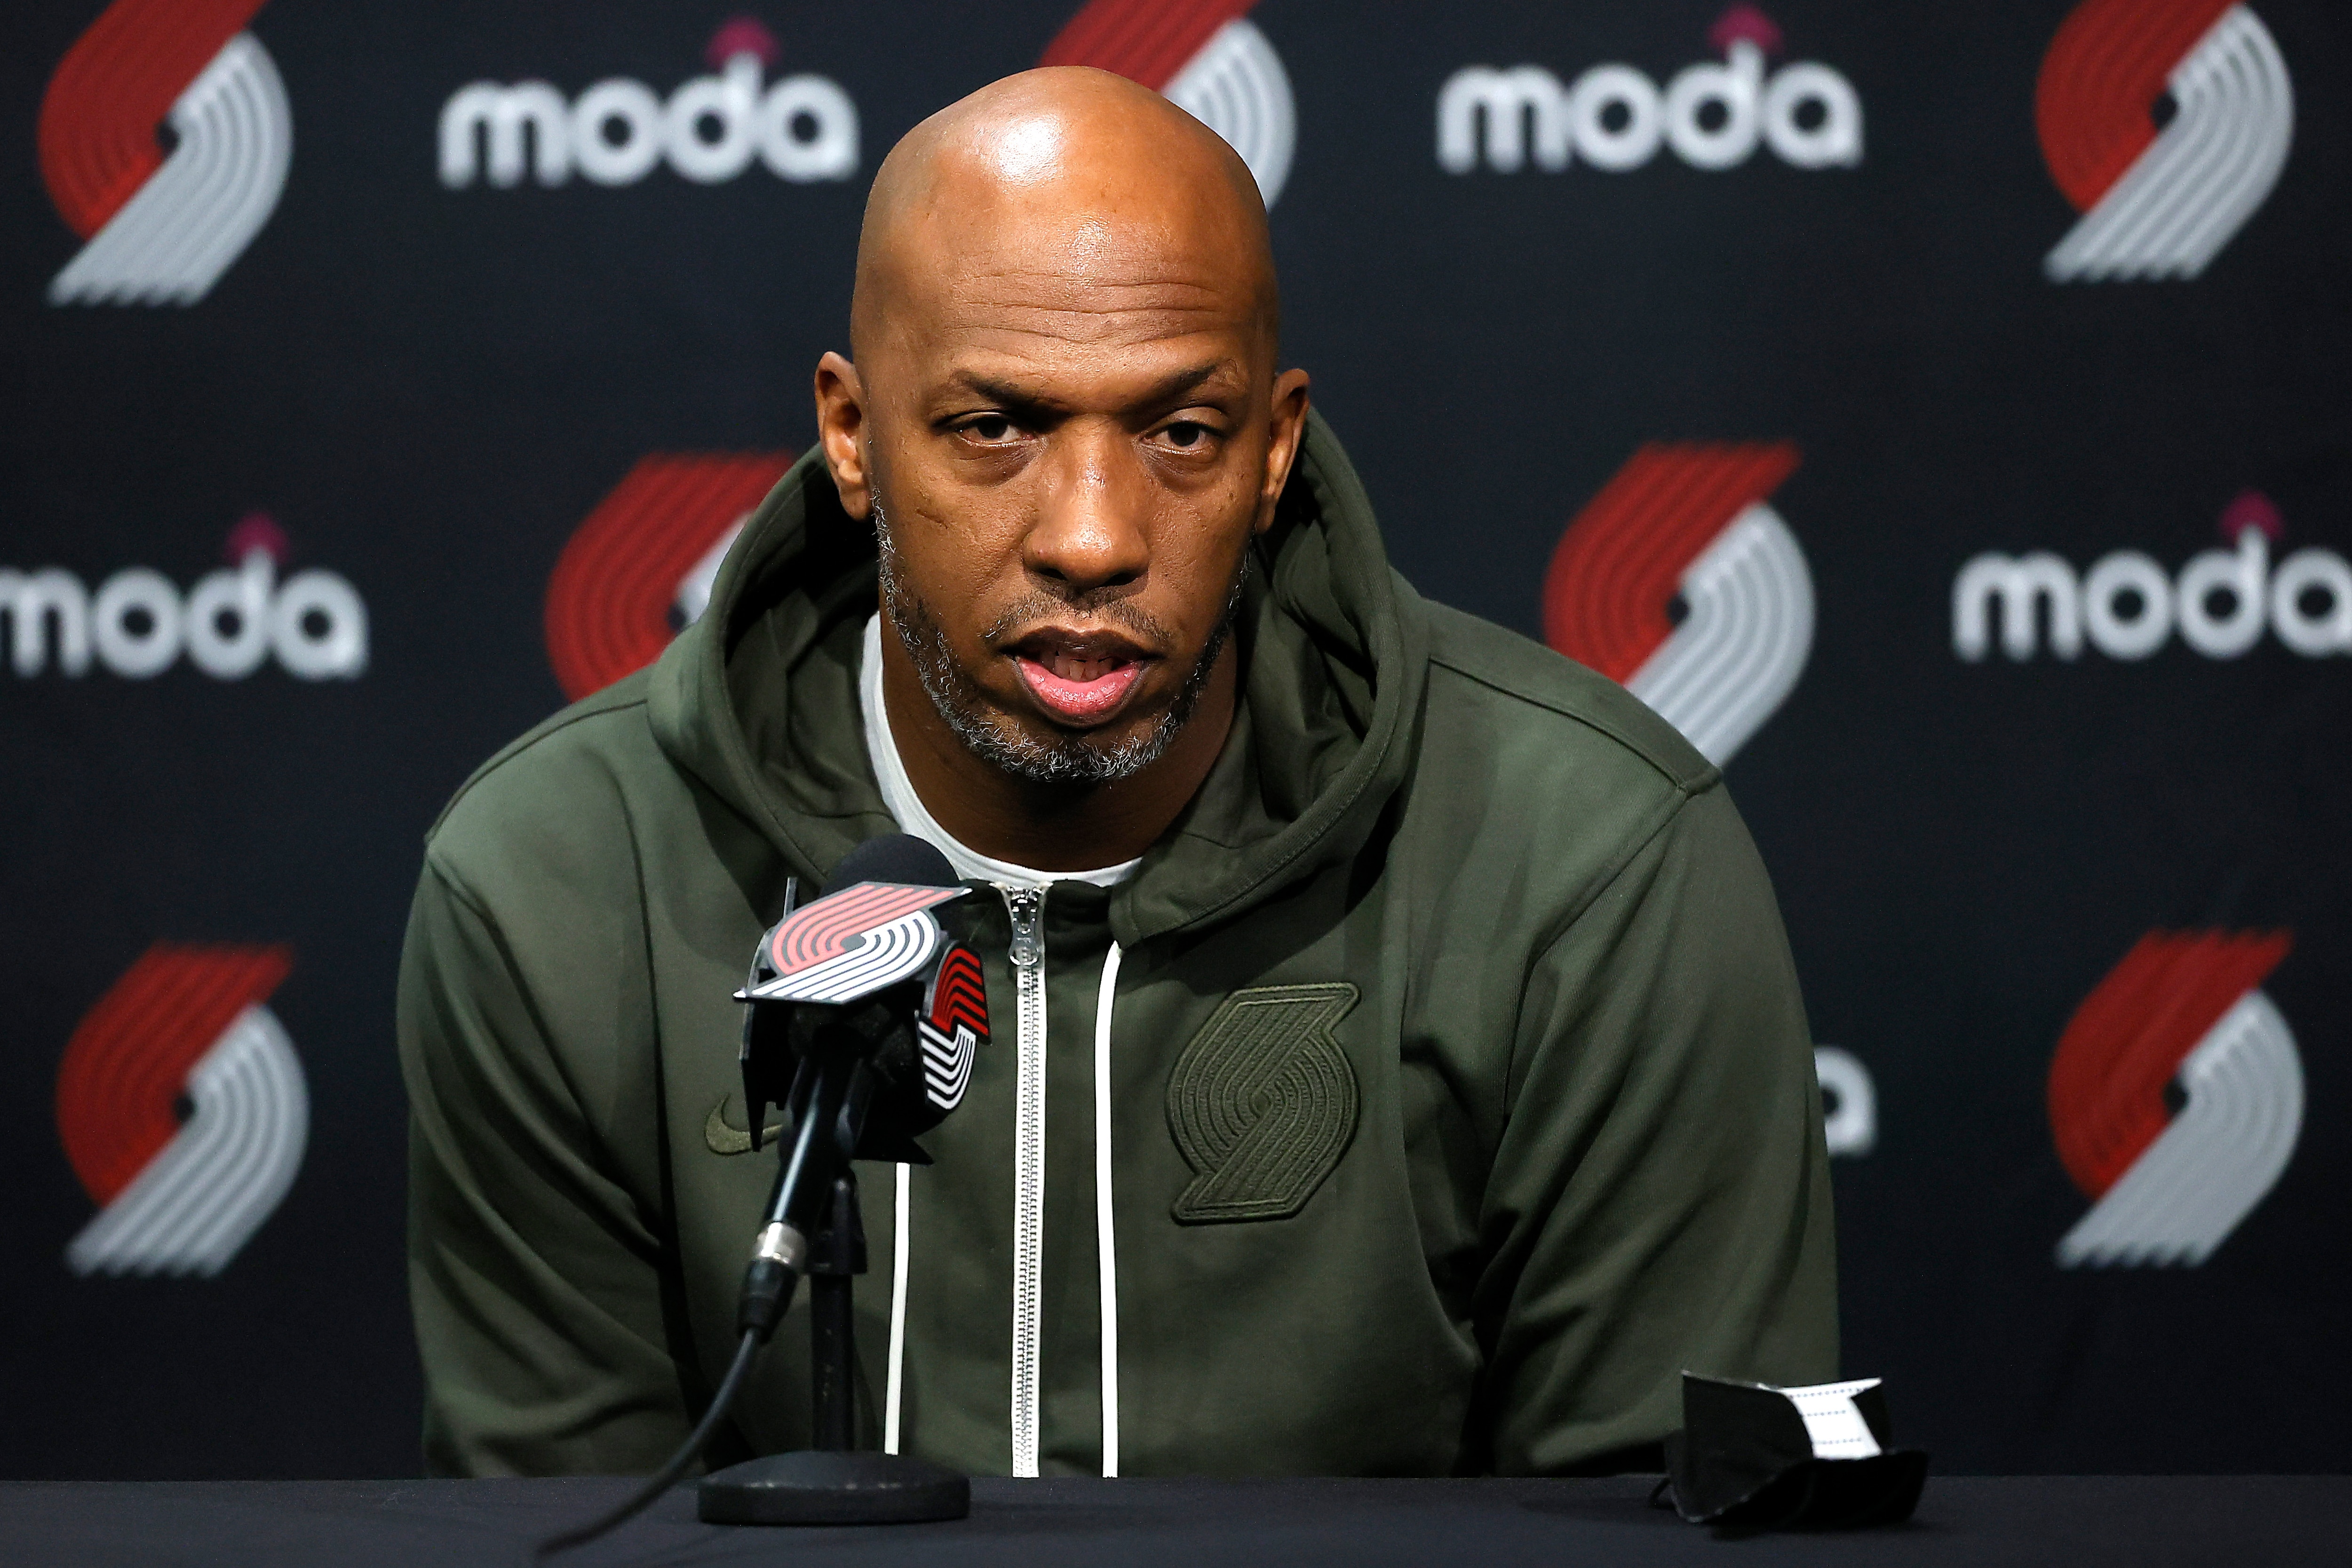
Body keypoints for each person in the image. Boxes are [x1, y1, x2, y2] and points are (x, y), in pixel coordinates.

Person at [398, 66, 1836, 1481]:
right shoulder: (560, 881)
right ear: (853, 436)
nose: (1091, 537)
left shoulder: (1589, 859)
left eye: (1180, 434)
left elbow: (1668, 1534)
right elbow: (576, 1530)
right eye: (995, 428)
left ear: (1275, 453)